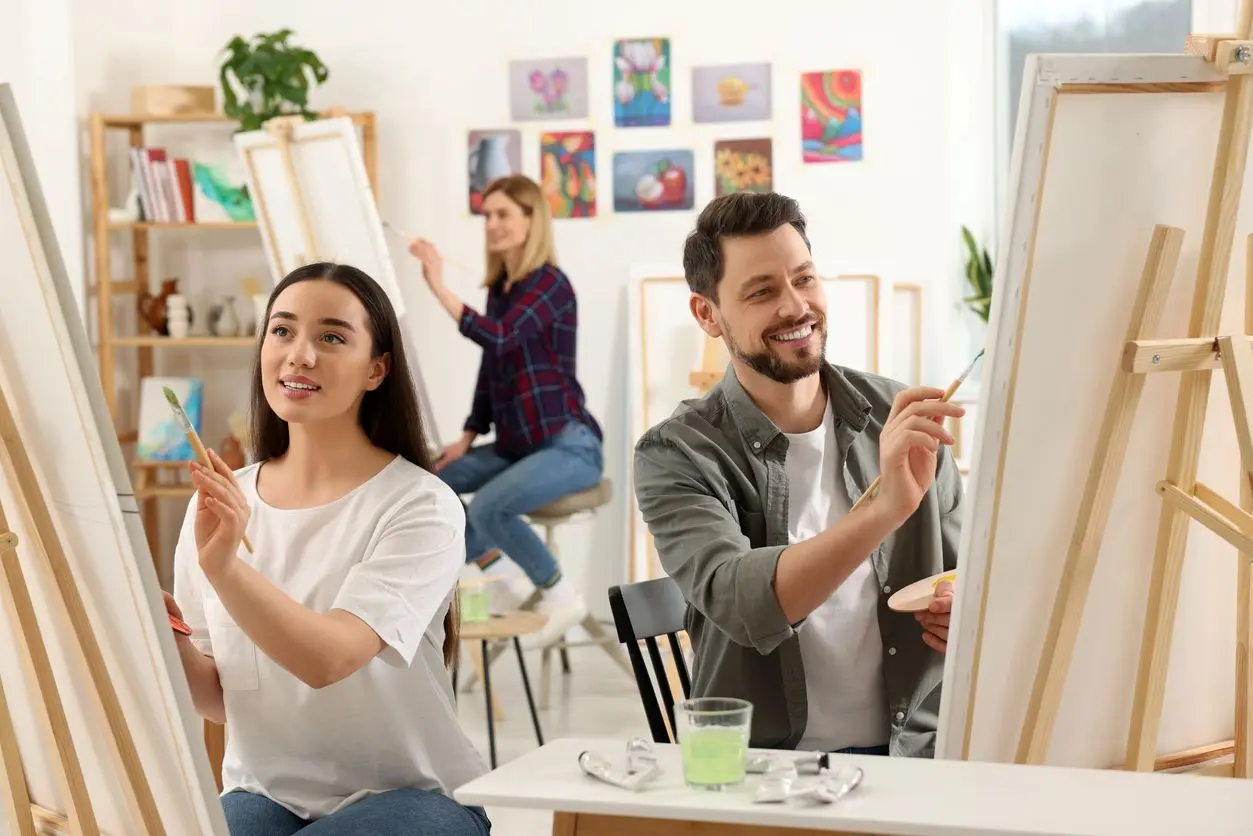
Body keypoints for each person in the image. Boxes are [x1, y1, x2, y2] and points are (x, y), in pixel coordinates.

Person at [632, 192, 965, 758]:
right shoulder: (676, 452)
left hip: (918, 758)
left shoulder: (900, 419)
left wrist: (965, 617)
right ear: (707, 314)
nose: (794, 306)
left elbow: (968, 578)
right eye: (762, 291)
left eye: (804, 279)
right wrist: (883, 509)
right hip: (763, 773)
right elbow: (741, 599)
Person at [166, 262, 491, 835]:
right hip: (267, 795)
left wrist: (224, 569)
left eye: (331, 337)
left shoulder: (422, 504)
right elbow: (221, 699)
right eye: (282, 331)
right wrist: (163, 638)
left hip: (416, 799)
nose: (299, 355)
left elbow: (328, 660)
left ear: (376, 369)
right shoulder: (218, 503)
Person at [407, 173, 603, 650]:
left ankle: (560, 596)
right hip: (518, 446)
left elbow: (499, 337)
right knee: (433, 480)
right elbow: (491, 368)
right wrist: (467, 437)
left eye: (503, 214)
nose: (492, 224)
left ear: (531, 220)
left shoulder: (551, 284)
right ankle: (503, 578)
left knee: (493, 503)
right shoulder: (502, 290)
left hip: (570, 446)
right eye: (487, 215)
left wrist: (438, 287)